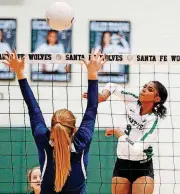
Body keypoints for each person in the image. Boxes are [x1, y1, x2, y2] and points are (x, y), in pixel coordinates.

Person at [3, 49, 106, 194]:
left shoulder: (42, 138)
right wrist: (93, 73)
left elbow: (33, 108)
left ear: (52, 128)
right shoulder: (82, 140)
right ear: (74, 129)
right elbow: (92, 108)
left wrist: (19, 72)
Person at [83, 81, 168, 194]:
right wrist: (103, 96)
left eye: (150, 89)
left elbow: (136, 150)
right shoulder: (133, 100)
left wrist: (119, 133)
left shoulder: (152, 121)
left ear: (157, 99)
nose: (144, 89)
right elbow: (112, 85)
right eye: (144, 86)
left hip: (142, 167)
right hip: (122, 163)